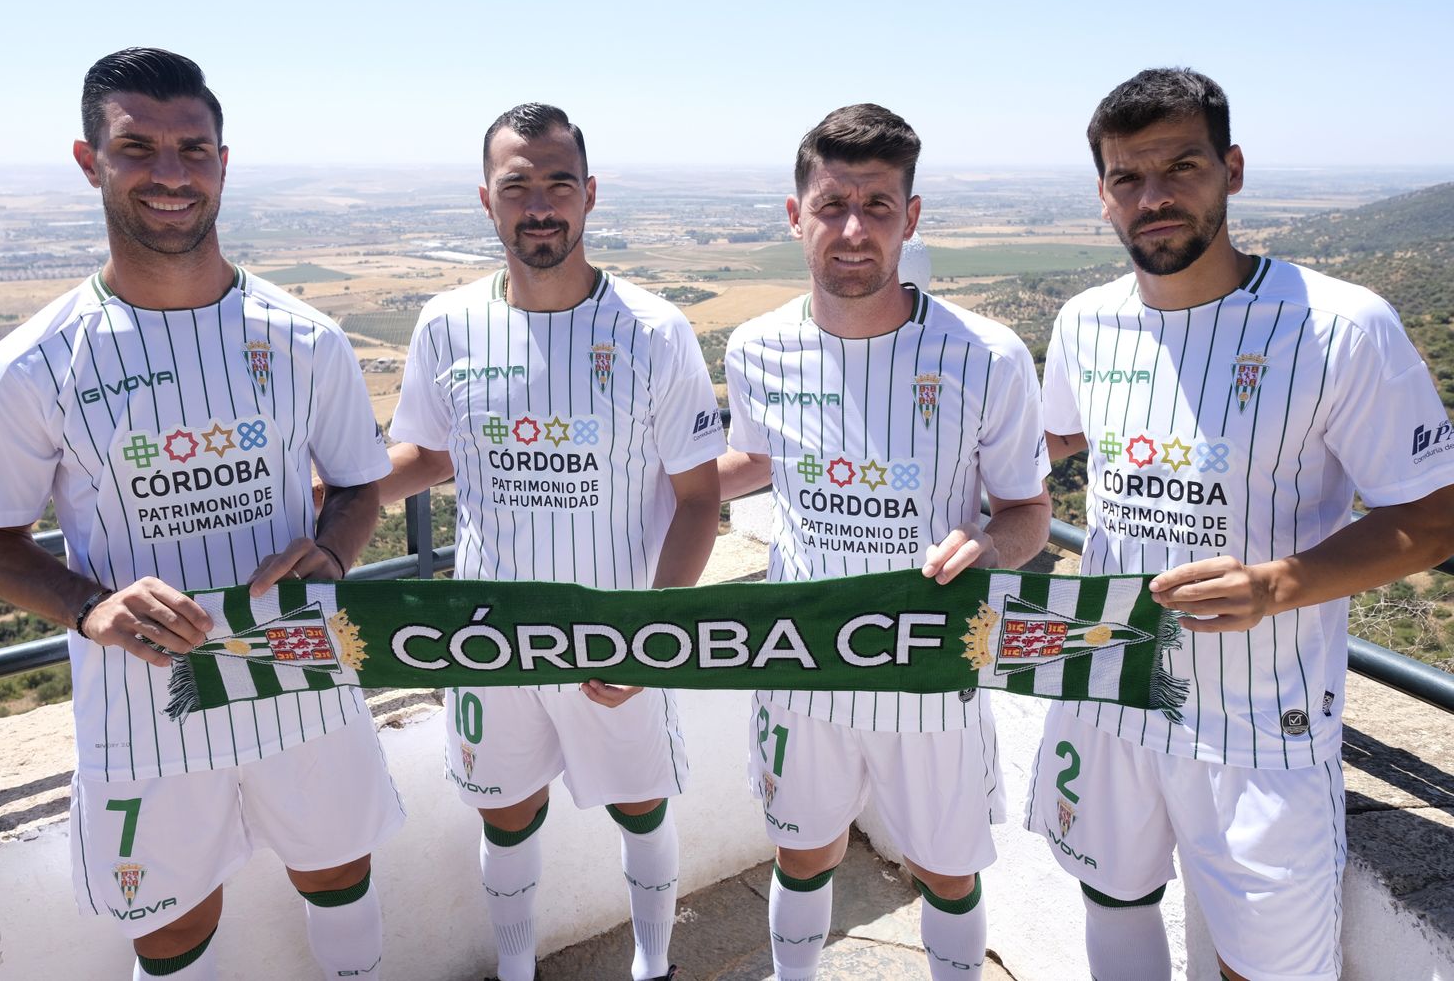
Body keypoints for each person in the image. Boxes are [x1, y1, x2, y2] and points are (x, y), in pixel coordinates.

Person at [0, 48, 402, 980]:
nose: (170, 174)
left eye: (193, 150)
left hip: (302, 675)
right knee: (167, 935)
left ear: (224, 163)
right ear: (91, 162)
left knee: (342, 879)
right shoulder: (33, 366)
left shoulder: (305, 339)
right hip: (141, 704)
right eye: (138, 148)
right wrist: (89, 607)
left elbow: (360, 485)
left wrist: (333, 551)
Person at [1028, 67, 1454, 981]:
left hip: (1267, 725)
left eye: (1181, 166)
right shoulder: (1083, 322)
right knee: (1113, 899)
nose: (1155, 197)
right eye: (1128, 178)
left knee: (1267, 967)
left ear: (1233, 168)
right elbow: (1041, 452)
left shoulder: (1342, 327)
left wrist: (1278, 585)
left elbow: (1432, 518)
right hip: (1108, 686)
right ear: (1103, 195)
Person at [379, 103, 722, 981]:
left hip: (618, 634)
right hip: (492, 634)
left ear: (589, 194)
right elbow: (431, 454)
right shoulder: (447, 322)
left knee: (642, 805)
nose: (539, 205)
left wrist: (651, 634)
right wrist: (332, 494)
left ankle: (655, 966)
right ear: (486, 202)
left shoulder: (653, 329)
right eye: (516, 186)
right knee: (506, 815)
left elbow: (696, 496)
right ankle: (517, 969)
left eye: (557, 184)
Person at [717, 104, 1053, 981]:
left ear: (912, 216)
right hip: (801, 659)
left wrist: (989, 548)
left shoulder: (990, 354)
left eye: (877, 204)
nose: (854, 229)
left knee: (948, 869)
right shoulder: (756, 347)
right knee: (802, 853)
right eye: (832, 205)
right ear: (797, 217)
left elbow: (1026, 512)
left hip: (929, 664)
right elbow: (754, 461)